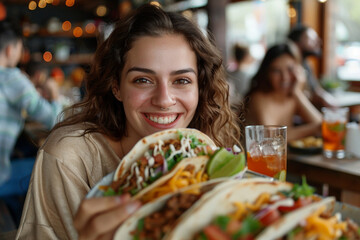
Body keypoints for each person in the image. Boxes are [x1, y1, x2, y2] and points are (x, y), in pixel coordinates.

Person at [16, 4, 241, 239]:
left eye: (182, 80)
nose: (164, 100)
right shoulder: (70, 158)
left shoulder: (206, 153)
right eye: (143, 80)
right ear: (116, 86)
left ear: (200, 88)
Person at [0, 19, 61, 224]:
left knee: (28, 151)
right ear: (10, 49)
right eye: (19, 47)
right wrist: (54, 95)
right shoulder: (12, 77)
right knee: (51, 166)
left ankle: (17, 218)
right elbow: (54, 119)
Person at [244, 42, 322, 142]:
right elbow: (271, 138)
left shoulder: (292, 96)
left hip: (283, 156)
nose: (284, 78)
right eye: (276, 71)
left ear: (299, 70)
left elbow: (322, 126)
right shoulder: (258, 98)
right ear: (267, 73)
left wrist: (297, 93)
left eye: (290, 69)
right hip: (255, 156)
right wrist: (313, 129)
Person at [288, 24, 338, 108]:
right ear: (296, 43)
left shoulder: (306, 64)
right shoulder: (288, 67)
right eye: (312, 39)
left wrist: (330, 101)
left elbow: (316, 90)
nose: (318, 42)